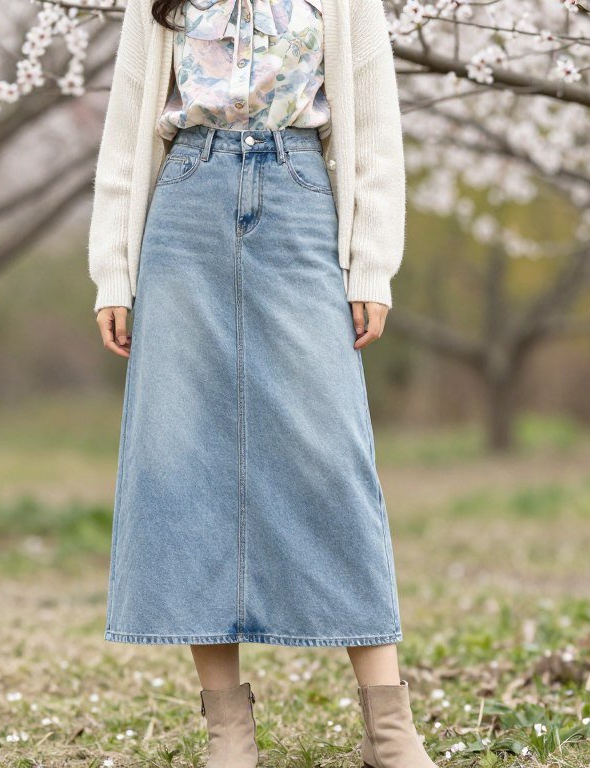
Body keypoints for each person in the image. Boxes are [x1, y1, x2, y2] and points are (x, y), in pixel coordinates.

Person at [87, 0, 438, 764]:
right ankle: (228, 731)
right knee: (182, 460)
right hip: (184, 203)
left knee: (332, 458)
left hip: (299, 195)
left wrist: (371, 263)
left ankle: (389, 727)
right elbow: (125, 131)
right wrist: (114, 271)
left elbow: (373, 125)